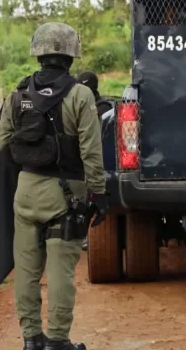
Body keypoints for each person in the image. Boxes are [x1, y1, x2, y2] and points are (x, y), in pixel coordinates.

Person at [0, 23, 108, 350]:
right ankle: (58, 341)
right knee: (61, 273)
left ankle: (31, 339)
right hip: (65, 197)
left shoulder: (18, 94)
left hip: (26, 194)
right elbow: (91, 152)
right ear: (71, 55)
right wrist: (98, 194)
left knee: (26, 271)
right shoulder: (81, 95)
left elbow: (1, 142)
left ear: (40, 53)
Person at [76, 71, 113, 252]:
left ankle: (88, 234)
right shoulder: (82, 105)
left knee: (92, 197)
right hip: (83, 159)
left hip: (97, 160)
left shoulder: (103, 108)